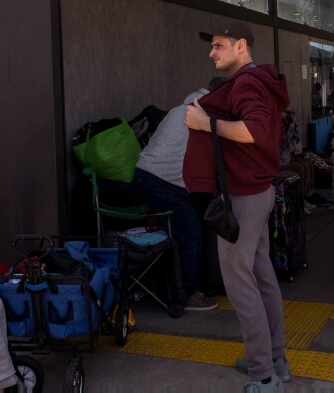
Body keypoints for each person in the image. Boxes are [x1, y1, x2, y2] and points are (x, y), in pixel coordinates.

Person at [183, 20, 292, 391]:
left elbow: (253, 132)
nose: (212, 52)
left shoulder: (245, 83)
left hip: (245, 197)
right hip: (257, 190)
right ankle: (275, 358)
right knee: (261, 276)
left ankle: (264, 375)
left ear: (240, 45)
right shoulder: (258, 81)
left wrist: (204, 122)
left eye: (218, 45)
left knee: (240, 282)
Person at [134, 78, 224, 313]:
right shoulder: (202, 115)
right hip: (162, 181)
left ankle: (187, 285)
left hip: (150, 174)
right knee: (193, 234)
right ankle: (186, 295)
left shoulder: (185, 106)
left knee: (190, 229)